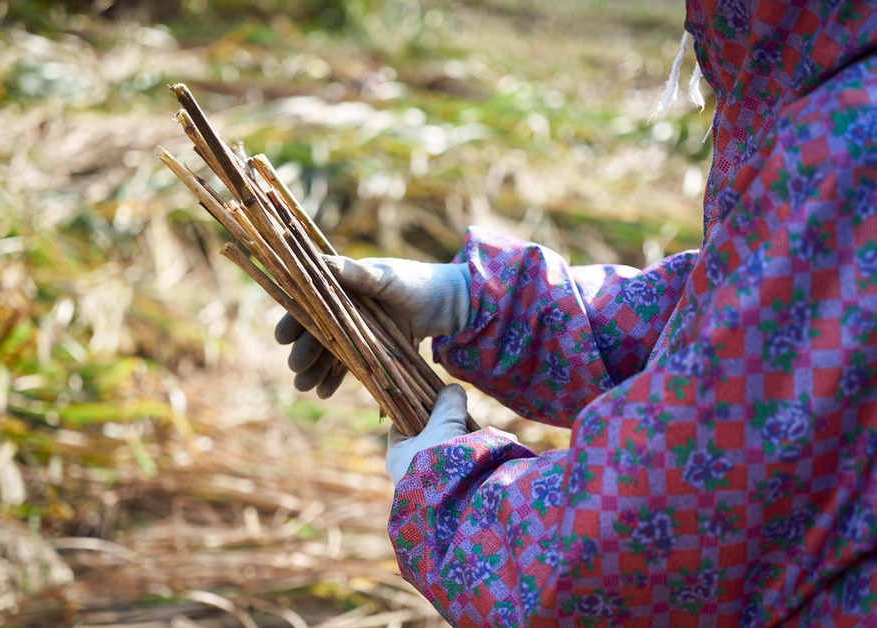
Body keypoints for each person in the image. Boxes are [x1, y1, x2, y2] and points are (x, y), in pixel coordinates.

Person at [276, 0, 877, 625]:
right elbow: (745, 326)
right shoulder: (831, 88)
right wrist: (482, 303)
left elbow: (663, 529)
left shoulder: (853, 143)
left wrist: (451, 498)